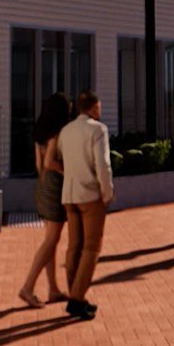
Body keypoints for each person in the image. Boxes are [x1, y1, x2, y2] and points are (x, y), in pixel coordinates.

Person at [59, 91, 113, 320]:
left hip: (69, 194)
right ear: (92, 107)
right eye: (98, 107)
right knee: (91, 248)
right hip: (90, 195)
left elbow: (63, 158)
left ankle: (76, 295)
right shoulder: (98, 129)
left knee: (74, 247)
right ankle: (76, 299)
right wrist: (107, 192)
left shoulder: (66, 130)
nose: (100, 110)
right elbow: (103, 164)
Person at [17, 92, 71, 308]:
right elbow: (49, 162)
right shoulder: (57, 133)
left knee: (51, 240)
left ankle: (53, 289)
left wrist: (45, 181)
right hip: (54, 188)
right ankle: (27, 287)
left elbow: (39, 165)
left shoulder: (40, 133)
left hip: (42, 185)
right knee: (51, 240)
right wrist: (68, 171)